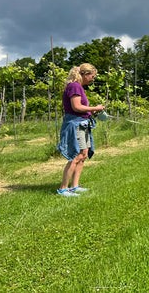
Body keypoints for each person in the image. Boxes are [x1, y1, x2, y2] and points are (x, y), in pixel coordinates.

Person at [56, 63, 105, 197]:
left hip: (83, 123)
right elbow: (76, 107)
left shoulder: (79, 87)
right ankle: (63, 189)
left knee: (83, 155)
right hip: (76, 124)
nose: (93, 79)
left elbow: (79, 108)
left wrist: (92, 110)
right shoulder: (74, 86)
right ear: (85, 74)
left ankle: (74, 186)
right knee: (75, 156)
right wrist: (95, 108)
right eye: (92, 76)